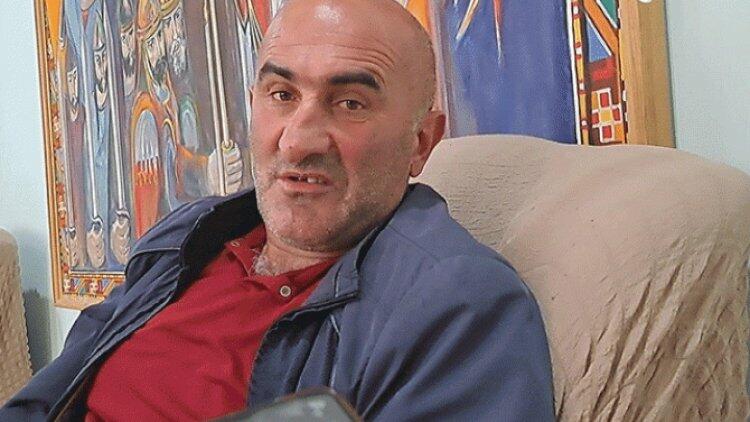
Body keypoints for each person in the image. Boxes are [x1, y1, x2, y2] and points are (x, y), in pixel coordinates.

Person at [2, 0, 554, 420]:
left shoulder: (460, 306)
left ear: (421, 142)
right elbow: (45, 397)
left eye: (350, 103)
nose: (297, 141)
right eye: (282, 95)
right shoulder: (185, 237)